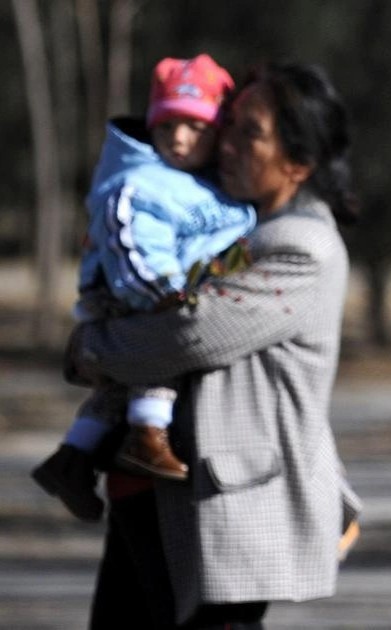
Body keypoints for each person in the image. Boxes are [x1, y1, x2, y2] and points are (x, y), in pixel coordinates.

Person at [65, 61, 360, 628]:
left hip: (226, 506)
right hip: (150, 487)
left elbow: (187, 334)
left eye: (250, 132)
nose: (224, 144)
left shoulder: (302, 246)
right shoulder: (227, 224)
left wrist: (88, 346)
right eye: (227, 125)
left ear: (297, 163)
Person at [32, 54, 256, 522]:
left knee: (115, 390)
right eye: (167, 126)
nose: (178, 138)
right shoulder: (140, 184)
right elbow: (134, 244)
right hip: (134, 292)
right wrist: (163, 293)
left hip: (160, 290)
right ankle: (147, 438)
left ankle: (73, 458)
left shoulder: (202, 184)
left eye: (196, 127)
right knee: (156, 356)